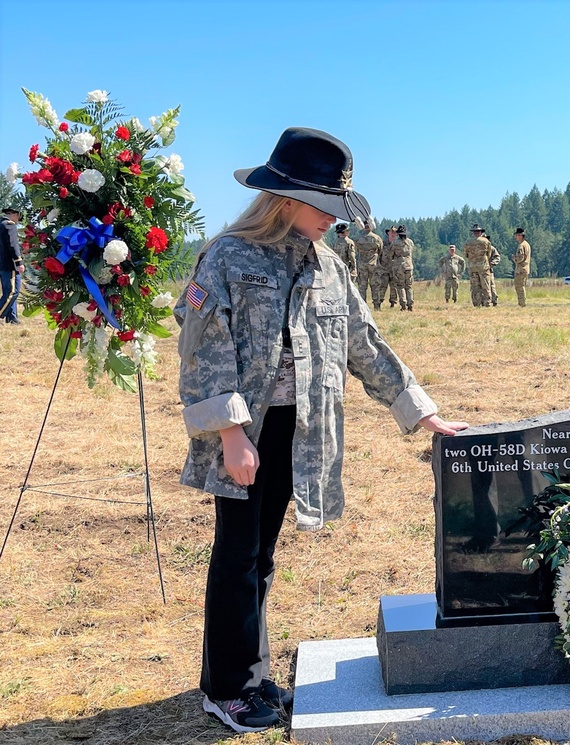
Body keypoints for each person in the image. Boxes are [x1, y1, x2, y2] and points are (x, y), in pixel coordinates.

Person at [172, 127, 467, 734]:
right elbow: (205, 347)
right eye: (325, 208)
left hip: (301, 431)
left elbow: (365, 345)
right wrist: (231, 433)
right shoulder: (227, 256)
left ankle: (250, 674)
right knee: (238, 554)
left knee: (263, 553)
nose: (334, 221)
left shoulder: (329, 267)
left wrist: (423, 413)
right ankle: (225, 688)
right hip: (245, 431)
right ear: (285, 197)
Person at [0, 207, 24, 324]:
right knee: (12, 292)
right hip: (10, 265)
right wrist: (19, 262)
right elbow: (13, 245)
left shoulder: (1, 224)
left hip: (2, 264)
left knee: (8, 291)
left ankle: (12, 318)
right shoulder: (9, 225)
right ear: (14, 214)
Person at [354, 218, 382, 304]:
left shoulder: (358, 239)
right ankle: (376, 304)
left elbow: (356, 250)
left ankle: (362, 304)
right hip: (373, 264)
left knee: (362, 285)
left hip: (362, 264)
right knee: (375, 285)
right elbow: (380, 250)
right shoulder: (376, 238)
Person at [463, 223, 491, 307]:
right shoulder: (486, 241)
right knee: (485, 285)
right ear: (480, 232)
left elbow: (466, 254)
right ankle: (487, 303)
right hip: (483, 266)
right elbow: (489, 253)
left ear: (473, 232)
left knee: (475, 286)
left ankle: (476, 303)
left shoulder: (468, 242)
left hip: (472, 266)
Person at [389, 224, 415, 311]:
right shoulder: (410, 242)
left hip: (399, 266)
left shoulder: (395, 243)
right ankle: (410, 305)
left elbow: (391, 254)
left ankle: (403, 304)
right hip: (409, 266)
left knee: (400, 286)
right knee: (409, 286)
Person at [373, 226, 397, 310]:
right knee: (382, 286)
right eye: (392, 232)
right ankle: (379, 303)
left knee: (394, 287)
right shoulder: (383, 243)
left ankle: (393, 303)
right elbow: (378, 254)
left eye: (395, 232)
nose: (393, 234)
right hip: (384, 268)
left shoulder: (398, 244)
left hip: (394, 268)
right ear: (388, 233)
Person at [512, 227, 531, 307]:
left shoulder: (521, 246)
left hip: (521, 269)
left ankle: (522, 304)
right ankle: (522, 303)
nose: (516, 237)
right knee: (521, 286)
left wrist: (514, 259)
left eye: (517, 235)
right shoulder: (526, 244)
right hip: (525, 268)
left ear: (520, 236)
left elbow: (521, 258)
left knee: (519, 286)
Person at [484, 235, 500, 306]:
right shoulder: (479, 249)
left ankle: (494, 300)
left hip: (489, 270)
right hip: (479, 270)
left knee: (491, 286)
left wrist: (491, 264)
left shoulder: (492, 248)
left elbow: (497, 257)